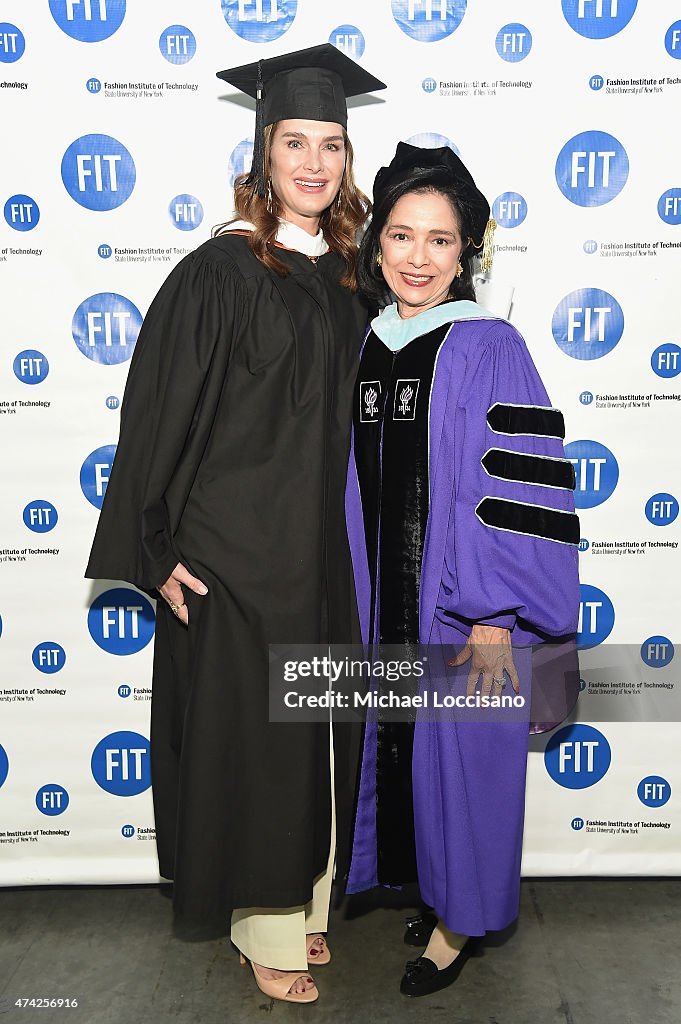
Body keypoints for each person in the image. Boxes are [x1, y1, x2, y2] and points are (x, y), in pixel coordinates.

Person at [85, 44, 385, 1004]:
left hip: (327, 553)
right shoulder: (220, 271)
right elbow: (158, 414)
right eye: (293, 141)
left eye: (330, 144)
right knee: (257, 744)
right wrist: (155, 548)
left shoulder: (351, 279)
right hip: (238, 559)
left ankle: (304, 905)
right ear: (262, 153)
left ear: (346, 160)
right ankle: (262, 929)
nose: (312, 162)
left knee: (321, 732)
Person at [344, 142, 580, 997]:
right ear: (376, 246)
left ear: (466, 252)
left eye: (439, 241)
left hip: (465, 614)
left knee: (468, 766)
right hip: (385, 607)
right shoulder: (366, 346)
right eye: (401, 237)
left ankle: (457, 925)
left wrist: (493, 615)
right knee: (404, 759)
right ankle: (431, 889)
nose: (417, 258)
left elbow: (513, 485)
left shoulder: (489, 346)